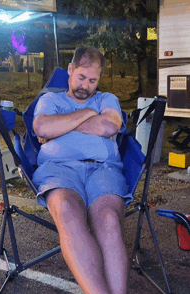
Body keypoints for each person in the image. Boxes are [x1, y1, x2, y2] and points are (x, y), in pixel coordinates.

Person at [32, 47, 133, 294]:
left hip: (103, 168)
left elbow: (109, 125)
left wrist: (63, 125)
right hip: (59, 169)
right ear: (70, 69)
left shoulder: (106, 99)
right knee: (66, 211)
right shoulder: (50, 100)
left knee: (109, 220)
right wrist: (88, 115)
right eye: (81, 77)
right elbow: (42, 127)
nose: (85, 86)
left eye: (92, 81)